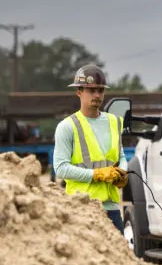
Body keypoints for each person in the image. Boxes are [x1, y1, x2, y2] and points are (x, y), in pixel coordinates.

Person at [52, 64, 128, 231]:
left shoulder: (114, 122)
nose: (97, 95)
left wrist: (122, 171)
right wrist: (97, 174)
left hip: (112, 209)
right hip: (81, 209)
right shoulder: (67, 127)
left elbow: (120, 155)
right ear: (79, 91)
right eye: (91, 90)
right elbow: (61, 169)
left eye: (100, 90)